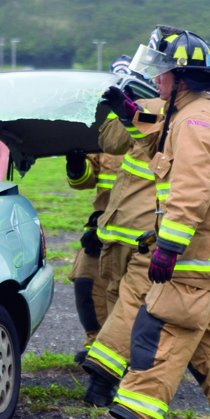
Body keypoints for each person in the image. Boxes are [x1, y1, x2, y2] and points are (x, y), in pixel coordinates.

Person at [86, 27, 210, 419]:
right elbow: (164, 152)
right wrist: (130, 116)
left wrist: (168, 246)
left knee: (160, 329)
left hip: (194, 254)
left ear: (183, 78)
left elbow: (190, 191)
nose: (158, 80)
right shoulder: (191, 114)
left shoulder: (196, 121)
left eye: (164, 74)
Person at [81, 58, 167, 406]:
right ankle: (109, 377)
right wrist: (126, 108)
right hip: (127, 229)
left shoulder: (164, 112)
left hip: (139, 229)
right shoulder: (150, 108)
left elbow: (113, 141)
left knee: (126, 304)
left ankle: (105, 376)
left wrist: (129, 109)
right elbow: (109, 143)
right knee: (125, 303)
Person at [64, 150, 121, 365]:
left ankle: (128, 352)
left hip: (144, 231)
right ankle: (97, 348)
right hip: (104, 226)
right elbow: (84, 180)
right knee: (86, 281)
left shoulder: (163, 128)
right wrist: (77, 164)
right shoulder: (109, 132)